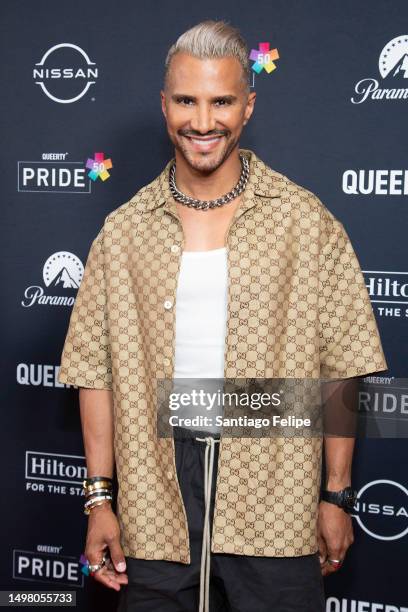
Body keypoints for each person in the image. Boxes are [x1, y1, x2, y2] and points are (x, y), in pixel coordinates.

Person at [58, 19, 388, 612]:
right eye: (186, 100)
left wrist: (336, 496)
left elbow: (344, 365)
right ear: (164, 106)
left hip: (275, 482)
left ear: (248, 106)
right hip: (154, 483)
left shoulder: (303, 221)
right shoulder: (124, 231)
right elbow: (94, 371)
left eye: (222, 102)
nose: (203, 122)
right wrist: (99, 500)